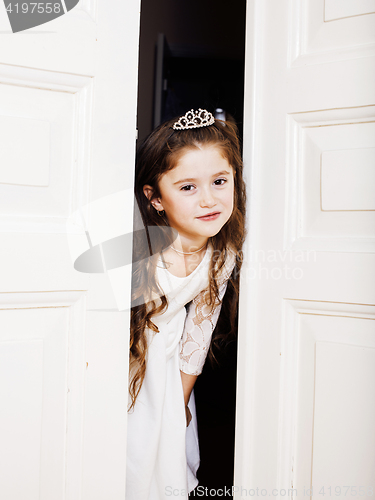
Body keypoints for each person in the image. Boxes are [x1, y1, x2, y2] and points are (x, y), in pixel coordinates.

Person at [126, 108, 246, 500]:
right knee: (129, 457)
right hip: (130, 362)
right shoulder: (143, 249)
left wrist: (178, 405)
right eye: (188, 187)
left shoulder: (222, 252)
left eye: (219, 181)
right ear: (156, 198)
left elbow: (198, 334)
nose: (209, 199)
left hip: (172, 365)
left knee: (168, 462)